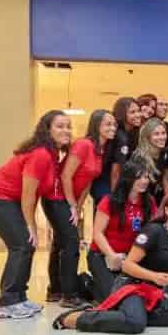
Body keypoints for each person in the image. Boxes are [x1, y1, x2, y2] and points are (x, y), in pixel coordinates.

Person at [0, 110, 70, 319]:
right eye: (60, 126)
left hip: (8, 199)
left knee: (26, 244)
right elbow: (28, 195)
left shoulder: (52, 154)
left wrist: (31, 227)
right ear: (47, 130)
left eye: (68, 126)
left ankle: (19, 298)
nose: (66, 131)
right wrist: (31, 226)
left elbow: (33, 195)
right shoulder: (41, 155)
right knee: (21, 244)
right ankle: (6, 302)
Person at [52, 190, 168, 334]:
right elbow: (128, 265)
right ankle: (77, 318)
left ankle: (124, 314)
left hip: (151, 293)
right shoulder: (153, 231)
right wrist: (154, 277)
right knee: (135, 324)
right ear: (167, 210)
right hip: (131, 287)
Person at [45, 109, 116, 307]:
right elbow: (66, 175)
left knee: (61, 242)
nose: (112, 128)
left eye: (114, 124)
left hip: (71, 200)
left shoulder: (100, 150)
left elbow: (88, 182)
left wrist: (78, 204)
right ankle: (69, 295)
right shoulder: (84, 144)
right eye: (107, 124)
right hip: (56, 197)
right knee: (71, 242)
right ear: (97, 126)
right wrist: (70, 205)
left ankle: (55, 289)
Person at [88, 159, 157, 302]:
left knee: (130, 294)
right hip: (102, 255)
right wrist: (112, 255)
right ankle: (86, 283)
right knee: (113, 298)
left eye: (146, 177)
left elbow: (152, 230)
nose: (144, 181)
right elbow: (97, 233)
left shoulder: (149, 202)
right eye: (139, 177)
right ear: (128, 178)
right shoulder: (109, 201)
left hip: (129, 258)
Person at [107, 97, 142, 195]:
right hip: (108, 183)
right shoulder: (120, 137)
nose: (138, 115)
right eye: (132, 112)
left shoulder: (132, 134)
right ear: (122, 114)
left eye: (138, 111)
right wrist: (114, 196)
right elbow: (116, 171)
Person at [132, 117, 168, 205]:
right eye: (156, 134)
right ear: (148, 137)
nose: (161, 137)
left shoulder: (163, 153)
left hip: (154, 199)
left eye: (163, 133)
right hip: (142, 202)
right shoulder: (139, 158)